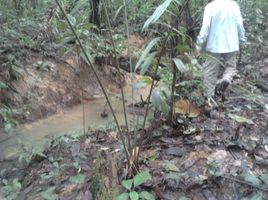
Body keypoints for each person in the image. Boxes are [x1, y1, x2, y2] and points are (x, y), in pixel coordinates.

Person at [195, 0, 246, 107]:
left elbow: (205, 27)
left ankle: (209, 99)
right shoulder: (233, 5)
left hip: (214, 43)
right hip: (231, 43)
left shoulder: (210, 7)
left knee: (210, 71)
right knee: (231, 67)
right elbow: (239, 24)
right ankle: (226, 79)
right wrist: (242, 40)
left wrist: (199, 44)